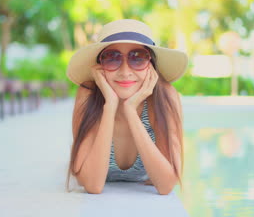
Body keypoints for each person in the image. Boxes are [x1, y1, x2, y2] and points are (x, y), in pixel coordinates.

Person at [65, 19, 188, 195]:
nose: (125, 71)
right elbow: (93, 185)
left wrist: (131, 111)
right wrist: (110, 107)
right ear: (99, 65)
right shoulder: (89, 94)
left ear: (151, 65)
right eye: (112, 58)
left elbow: (166, 185)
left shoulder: (163, 97)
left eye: (137, 57)